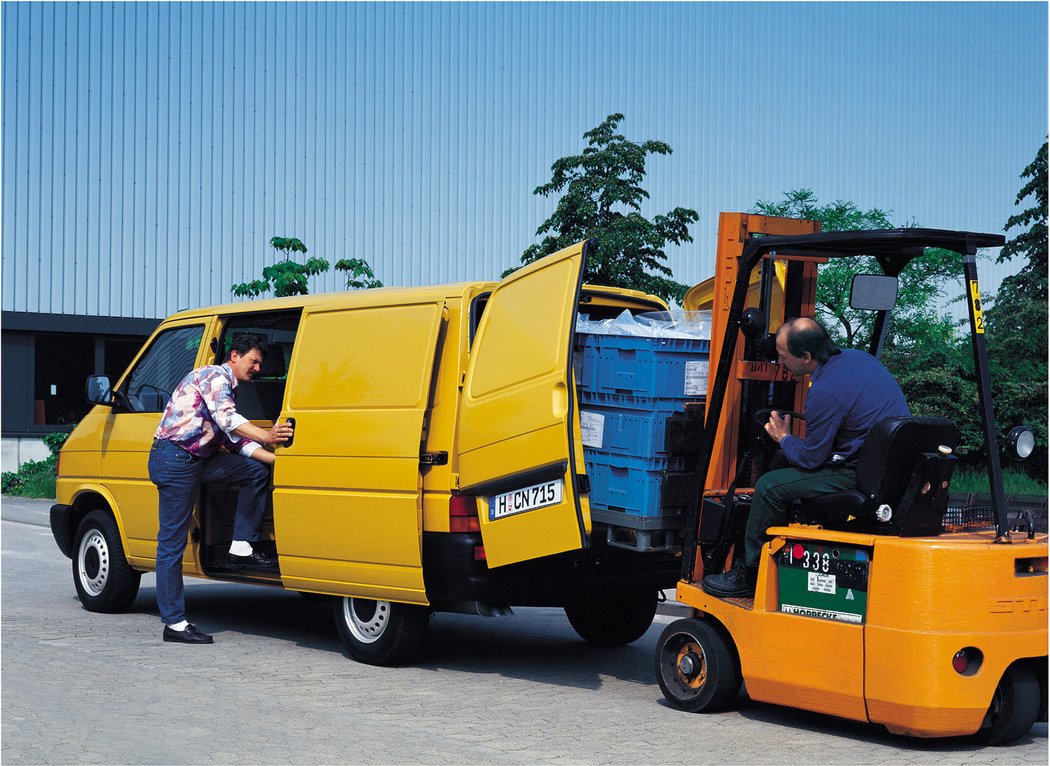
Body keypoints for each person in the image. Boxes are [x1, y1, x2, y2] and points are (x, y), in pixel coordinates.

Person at [702, 317, 909, 598]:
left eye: (783, 355)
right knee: (783, 464)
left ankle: (750, 573)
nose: (779, 360)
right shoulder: (859, 359)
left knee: (769, 486)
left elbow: (811, 459)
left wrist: (783, 437)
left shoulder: (824, 392)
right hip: (886, 465)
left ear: (806, 357)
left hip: (860, 474)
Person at [148, 334, 294, 644]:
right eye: (253, 361)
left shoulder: (229, 390)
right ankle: (174, 623)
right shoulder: (214, 375)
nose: (257, 368)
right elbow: (229, 421)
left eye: (260, 364)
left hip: (199, 460)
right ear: (234, 356)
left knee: (255, 471)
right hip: (174, 458)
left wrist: (280, 462)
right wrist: (268, 436)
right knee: (172, 542)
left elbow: (237, 442)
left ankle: (241, 544)